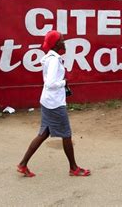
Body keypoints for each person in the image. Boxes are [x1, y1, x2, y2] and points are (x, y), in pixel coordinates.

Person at [17, 30, 90, 177]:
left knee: (44, 133)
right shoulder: (54, 60)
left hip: (48, 101)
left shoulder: (50, 58)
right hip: (54, 103)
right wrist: (65, 82)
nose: (64, 41)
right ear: (57, 44)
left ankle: (23, 164)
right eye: (62, 39)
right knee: (66, 134)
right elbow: (50, 83)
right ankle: (73, 168)